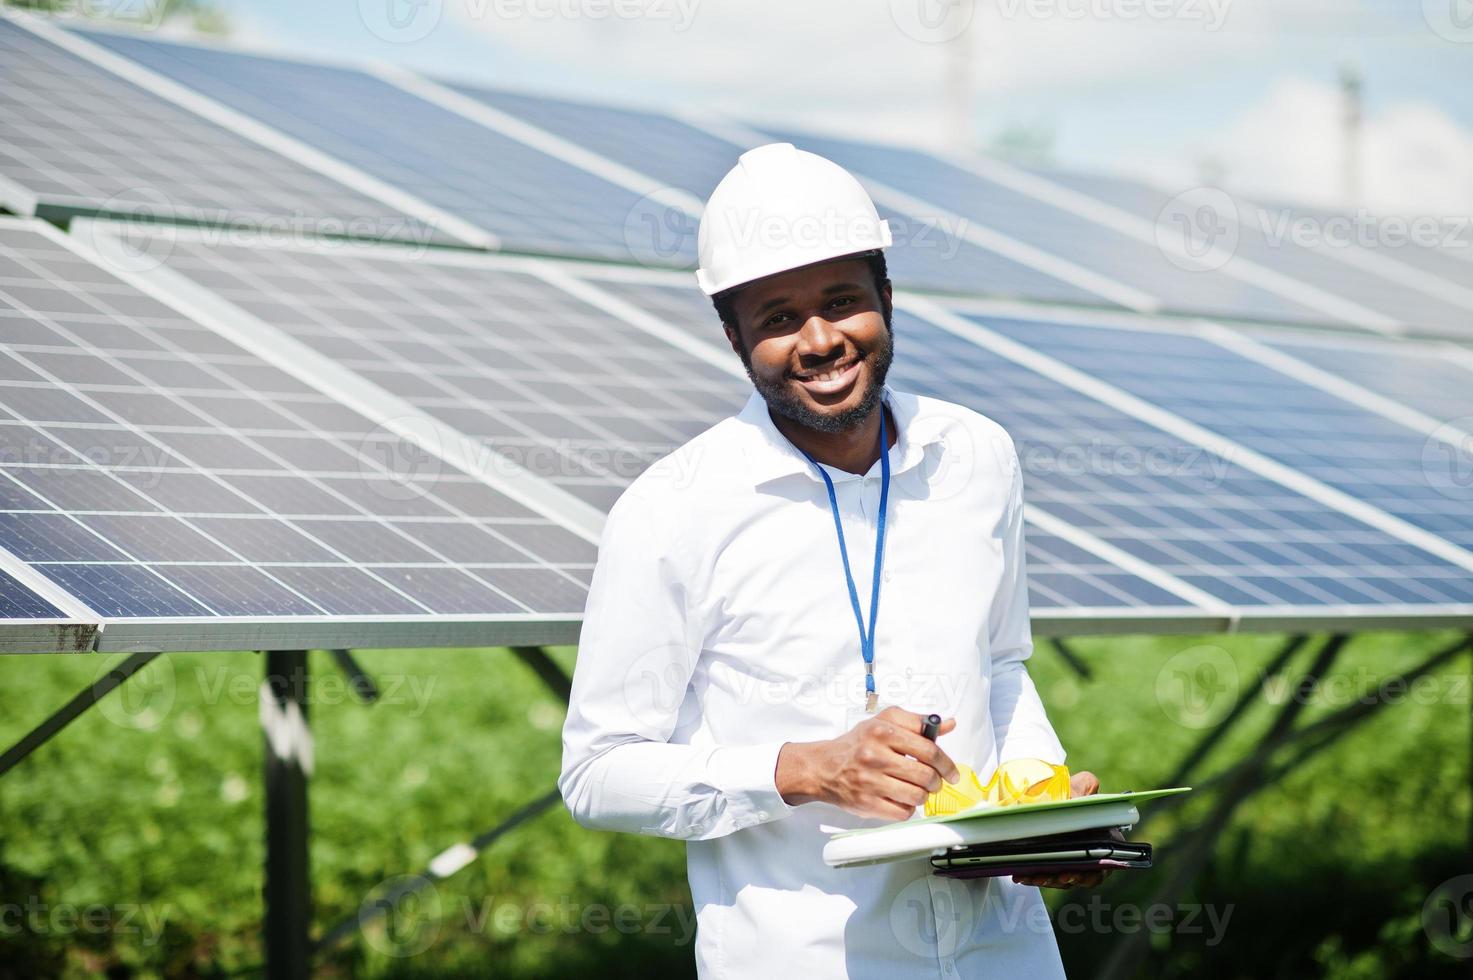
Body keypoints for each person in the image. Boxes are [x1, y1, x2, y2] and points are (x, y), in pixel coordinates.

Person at [560, 142, 1104, 978]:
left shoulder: (976, 457)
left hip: (1003, 951)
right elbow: (598, 772)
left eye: (843, 301)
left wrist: (1034, 808)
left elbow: (999, 664)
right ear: (732, 333)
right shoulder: (672, 511)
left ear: (886, 298)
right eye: (776, 317)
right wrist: (803, 769)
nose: (818, 340)